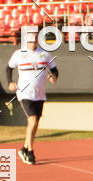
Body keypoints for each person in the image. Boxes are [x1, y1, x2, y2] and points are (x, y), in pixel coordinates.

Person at [7, 31, 58, 165]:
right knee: (33, 120)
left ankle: (24, 147)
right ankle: (30, 151)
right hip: (24, 93)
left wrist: (54, 77)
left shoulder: (44, 54)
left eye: (34, 41)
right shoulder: (19, 54)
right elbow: (9, 68)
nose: (32, 43)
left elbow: (54, 69)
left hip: (39, 93)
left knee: (35, 124)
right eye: (30, 41)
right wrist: (10, 82)